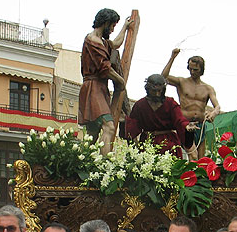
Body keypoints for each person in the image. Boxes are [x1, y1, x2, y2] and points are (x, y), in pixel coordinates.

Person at [79, 8, 133, 155]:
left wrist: (125, 27)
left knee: (92, 133)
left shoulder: (100, 42)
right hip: (93, 89)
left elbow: (115, 44)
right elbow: (105, 68)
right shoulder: (93, 42)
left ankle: (81, 163)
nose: (112, 29)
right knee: (109, 127)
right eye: (113, 26)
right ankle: (104, 166)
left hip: (98, 89)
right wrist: (120, 80)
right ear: (106, 23)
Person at [162, 49, 221, 160]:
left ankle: (198, 177)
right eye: (190, 69)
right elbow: (163, 77)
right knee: (193, 156)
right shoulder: (182, 82)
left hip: (200, 125)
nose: (192, 72)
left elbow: (217, 106)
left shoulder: (208, 88)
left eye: (196, 69)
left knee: (201, 159)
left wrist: (214, 113)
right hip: (185, 124)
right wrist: (172, 57)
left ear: (201, 70)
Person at [125, 74, 189, 158]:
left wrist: (187, 127)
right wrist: (124, 122)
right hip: (147, 143)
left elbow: (180, 120)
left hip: (169, 144)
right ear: (148, 89)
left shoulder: (170, 103)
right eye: (154, 91)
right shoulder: (140, 105)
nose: (157, 94)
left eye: (160, 91)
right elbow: (132, 127)